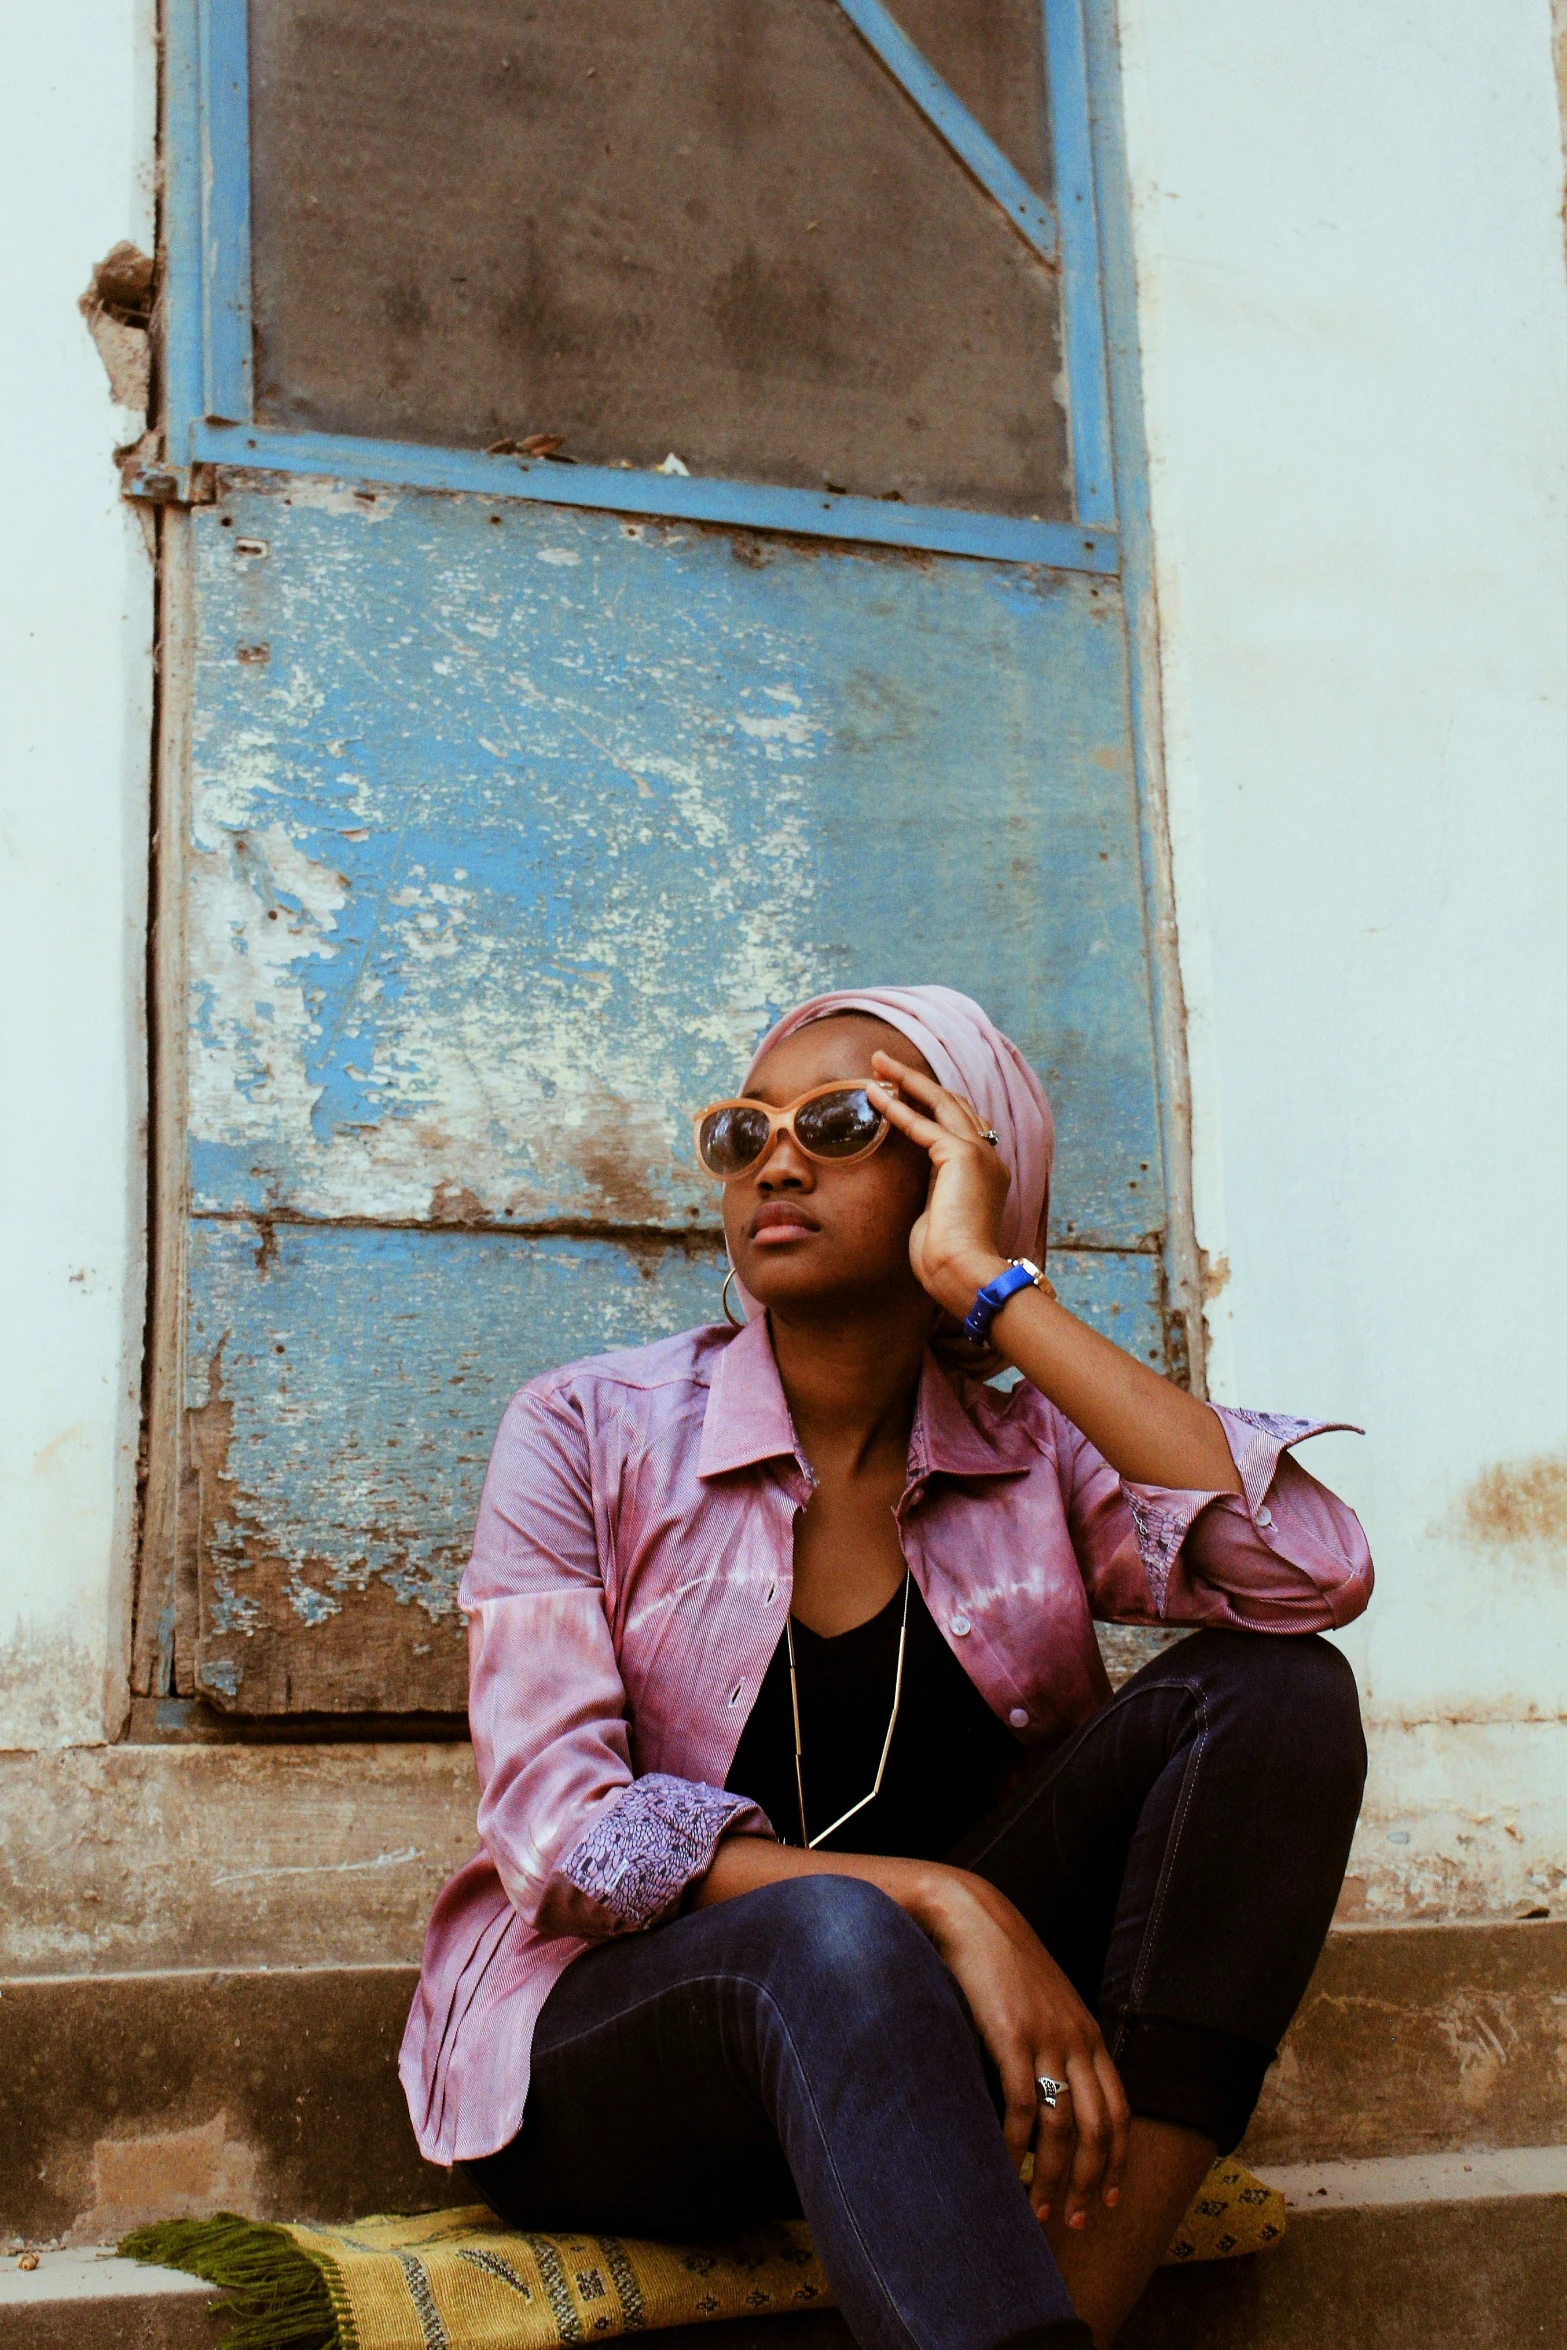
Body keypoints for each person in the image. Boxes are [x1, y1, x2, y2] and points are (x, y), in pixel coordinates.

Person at [401, 985, 1371, 2350]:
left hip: (934, 2059)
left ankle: (1070, 2307)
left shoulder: (1028, 1449)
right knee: (838, 1930)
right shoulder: (584, 1429)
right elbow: (559, 1830)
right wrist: (938, 1897)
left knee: (1277, 1697)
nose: (773, 1162)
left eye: (841, 1122)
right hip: (621, 2058)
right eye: (740, 1134)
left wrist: (998, 1291)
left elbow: (1308, 1572)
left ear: (958, 1167)